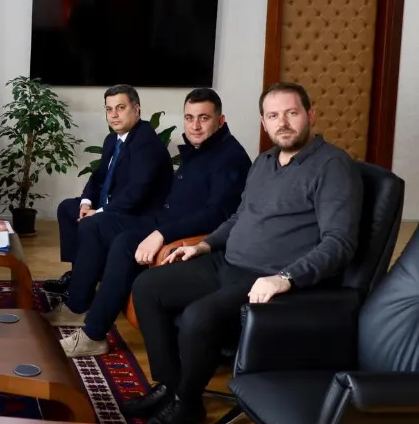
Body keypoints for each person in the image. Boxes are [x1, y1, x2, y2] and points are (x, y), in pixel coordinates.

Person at [126, 82, 363, 424]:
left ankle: (188, 404)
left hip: (267, 277)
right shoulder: (264, 161)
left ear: (310, 115)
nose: (283, 123)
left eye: (291, 113)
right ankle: (170, 386)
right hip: (226, 263)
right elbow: (239, 217)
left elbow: (339, 243)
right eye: (273, 116)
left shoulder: (332, 166)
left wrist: (285, 278)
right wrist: (203, 246)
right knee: (147, 287)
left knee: (197, 317)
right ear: (264, 123)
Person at [46, 89, 252, 358]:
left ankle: (93, 335)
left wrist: (161, 233)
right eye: (189, 118)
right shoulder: (201, 149)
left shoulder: (230, 158)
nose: (195, 125)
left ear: (221, 120)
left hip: (180, 231)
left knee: (123, 242)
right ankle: (79, 305)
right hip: (162, 220)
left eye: (204, 118)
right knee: (97, 226)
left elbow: (218, 215)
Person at [43, 84, 174, 295]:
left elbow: (135, 193)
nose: (113, 115)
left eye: (120, 108)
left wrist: (100, 211)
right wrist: (86, 202)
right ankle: (79, 273)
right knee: (68, 208)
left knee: (92, 222)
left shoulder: (147, 144)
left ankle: (80, 292)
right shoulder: (112, 139)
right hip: (113, 204)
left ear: (137, 109)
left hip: (138, 214)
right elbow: (98, 176)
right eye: (109, 109)